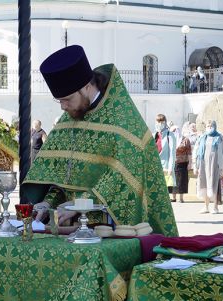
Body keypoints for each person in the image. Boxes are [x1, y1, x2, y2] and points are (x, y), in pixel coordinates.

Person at [22, 45, 177, 236]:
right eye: (58, 100)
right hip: (66, 228)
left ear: (86, 86)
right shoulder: (69, 118)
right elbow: (62, 175)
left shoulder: (123, 121)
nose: (63, 107)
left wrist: (79, 203)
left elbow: (125, 179)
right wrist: (48, 202)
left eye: (67, 99)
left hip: (112, 230)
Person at [193, 120, 223, 214]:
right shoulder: (202, 137)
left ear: (215, 126)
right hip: (203, 165)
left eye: (211, 125)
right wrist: (195, 166)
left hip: (215, 165)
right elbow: (196, 151)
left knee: (215, 185)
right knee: (204, 184)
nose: (209, 127)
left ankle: (215, 207)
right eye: (208, 126)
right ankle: (206, 206)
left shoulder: (220, 137)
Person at [154, 114, 177, 200]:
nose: (159, 124)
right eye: (158, 122)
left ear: (165, 123)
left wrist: (171, 167)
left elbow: (172, 153)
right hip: (155, 167)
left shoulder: (170, 135)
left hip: (166, 168)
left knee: (164, 192)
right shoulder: (155, 135)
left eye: (161, 122)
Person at [171, 124, 192, 203]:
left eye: (175, 131)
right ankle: (173, 197)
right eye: (172, 131)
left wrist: (190, 163)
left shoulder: (186, 140)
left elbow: (189, 152)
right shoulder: (171, 140)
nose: (174, 133)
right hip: (173, 163)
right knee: (174, 180)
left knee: (182, 181)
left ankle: (181, 198)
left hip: (183, 163)